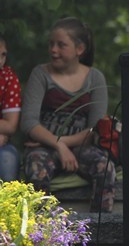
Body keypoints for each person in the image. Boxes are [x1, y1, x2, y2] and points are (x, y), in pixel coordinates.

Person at [21, 18, 116, 212]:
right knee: (36, 169)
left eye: (61, 45)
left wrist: (63, 143)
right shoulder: (40, 74)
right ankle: (42, 232)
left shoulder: (95, 78)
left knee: (104, 167)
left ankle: (98, 229)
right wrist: (57, 144)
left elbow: (94, 128)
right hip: (44, 145)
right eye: (51, 44)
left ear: (79, 49)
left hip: (82, 145)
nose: (53, 50)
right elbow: (29, 122)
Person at [0, 35, 21, 181]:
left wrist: (4, 133)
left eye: (3, 54)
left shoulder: (7, 77)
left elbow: (10, 126)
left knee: (8, 157)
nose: (0, 59)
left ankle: (8, 203)